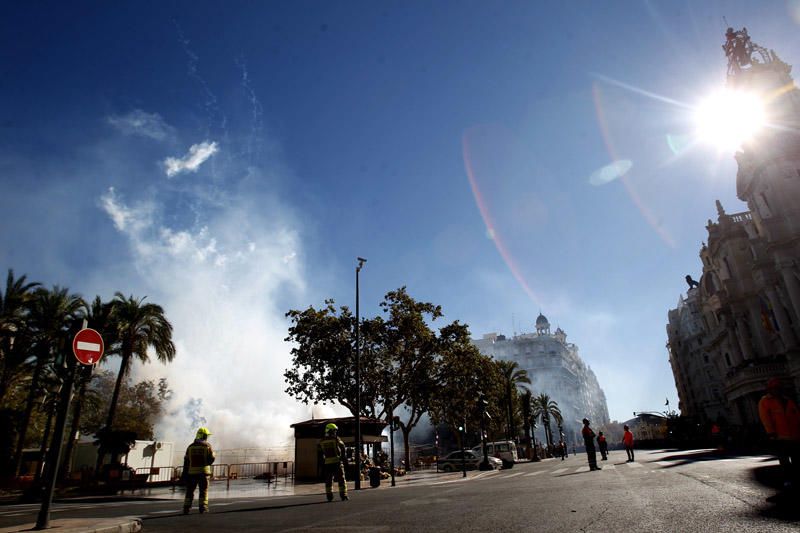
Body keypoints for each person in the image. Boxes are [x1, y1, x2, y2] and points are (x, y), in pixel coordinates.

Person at [758, 378, 800, 496]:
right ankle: (788, 480)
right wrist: (771, 433)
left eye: (778, 387)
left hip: (795, 436)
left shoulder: (788, 400)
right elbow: (765, 418)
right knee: (785, 461)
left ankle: (795, 478)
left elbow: (796, 416)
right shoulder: (765, 401)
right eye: (774, 388)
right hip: (779, 437)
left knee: (796, 459)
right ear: (770, 389)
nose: (776, 390)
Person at [183, 427, 215, 515]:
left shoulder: (190, 446)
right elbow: (212, 458)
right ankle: (203, 508)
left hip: (192, 473)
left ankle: (186, 508)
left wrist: (184, 474)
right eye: (206, 436)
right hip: (203, 473)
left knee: (189, 491)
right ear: (204, 436)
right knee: (203, 491)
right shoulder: (207, 446)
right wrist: (206, 463)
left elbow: (186, 460)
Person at [318, 423, 349, 502]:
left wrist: (322, 462)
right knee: (341, 479)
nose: (335, 432)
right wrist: (342, 457)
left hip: (327, 463)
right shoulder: (336, 439)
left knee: (328, 480)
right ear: (330, 431)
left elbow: (320, 452)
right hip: (337, 462)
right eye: (334, 431)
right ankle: (343, 495)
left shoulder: (322, 441)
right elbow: (343, 447)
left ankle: (329, 496)